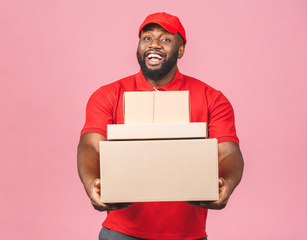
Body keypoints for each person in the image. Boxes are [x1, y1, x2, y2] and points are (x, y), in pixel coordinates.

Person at [77, 12, 244, 240]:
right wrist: (90, 184)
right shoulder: (108, 95)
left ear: (181, 50)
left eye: (165, 39)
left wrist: (228, 183)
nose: (154, 44)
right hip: (121, 233)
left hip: (187, 236)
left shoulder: (211, 98)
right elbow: (90, 145)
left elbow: (228, 151)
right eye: (147, 38)